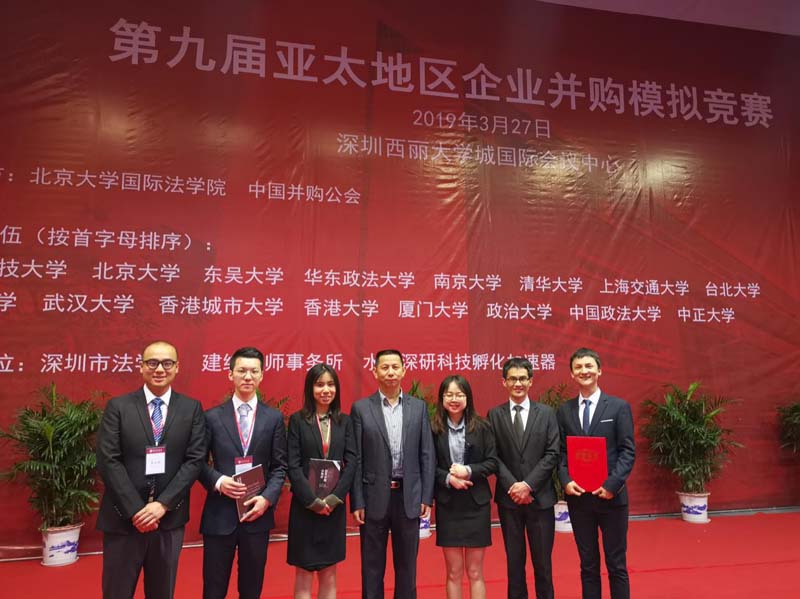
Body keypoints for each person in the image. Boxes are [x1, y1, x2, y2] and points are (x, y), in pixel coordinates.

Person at [96, 340, 206, 599]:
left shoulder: (191, 408)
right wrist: (136, 510)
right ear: (141, 366)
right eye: (152, 362)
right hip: (124, 519)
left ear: (177, 367)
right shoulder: (119, 407)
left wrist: (162, 504)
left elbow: (195, 460)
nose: (159, 369)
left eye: (167, 363)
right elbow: (108, 460)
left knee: (162, 593)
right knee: (116, 592)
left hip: (168, 520)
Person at [198, 347, 288, 599]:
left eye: (254, 371)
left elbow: (280, 466)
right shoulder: (211, 417)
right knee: (213, 589)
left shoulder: (274, 418)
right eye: (242, 371)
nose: (248, 376)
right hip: (219, 514)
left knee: (251, 588)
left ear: (261, 375)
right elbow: (197, 462)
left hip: (256, 514)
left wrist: (266, 499)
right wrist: (218, 481)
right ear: (231, 374)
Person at [351, 349, 436, 599]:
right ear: (375, 371)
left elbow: (427, 454)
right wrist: (357, 500)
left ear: (404, 370)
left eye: (395, 367)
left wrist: (426, 496)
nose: (390, 372)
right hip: (373, 497)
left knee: (407, 568)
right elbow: (356, 459)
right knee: (372, 568)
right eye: (385, 367)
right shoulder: (361, 409)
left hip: (408, 497)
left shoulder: (418, 408)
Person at [556, 348, 635, 599]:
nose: (584, 371)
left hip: (612, 498)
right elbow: (561, 452)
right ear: (572, 374)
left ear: (599, 370)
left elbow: (627, 451)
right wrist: (566, 481)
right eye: (578, 367)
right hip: (580, 500)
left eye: (589, 366)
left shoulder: (618, 407)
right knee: (588, 565)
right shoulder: (564, 410)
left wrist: (612, 485)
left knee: (616, 564)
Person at [487, 357, 560, 599]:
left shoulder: (547, 413)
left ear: (530, 381)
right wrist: (515, 487)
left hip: (541, 500)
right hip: (509, 501)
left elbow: (552, 453)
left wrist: (528, 485)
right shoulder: (494, 414)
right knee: (514, 565)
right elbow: (493, 456)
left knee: (543, 565)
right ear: (504, 382)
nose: (517, 383)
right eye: (512, 379)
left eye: (522, 379)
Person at [286, 364, 357, 599]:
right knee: (304, 574)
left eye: (330, 384)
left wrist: (335, 498)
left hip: (333, 508)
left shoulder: (345, 422)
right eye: (319, 385)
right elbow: (293, 465)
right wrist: (311, 501)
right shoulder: (298, 421)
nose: (325, 390)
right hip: (305, 507)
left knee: (329, 573)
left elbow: (352, 462)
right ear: (310, 388)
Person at [431, 375, 498, 599]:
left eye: (459, 394)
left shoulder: (482, 426)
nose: (454, 399)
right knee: (453, 572)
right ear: (442, 398)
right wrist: (448, 478)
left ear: (468, 398)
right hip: (448, 506)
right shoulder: (434, 428)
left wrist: (468, 470)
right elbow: (427, 465)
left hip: (476, 505)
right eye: (449, 394)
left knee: (475, 571)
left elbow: (492, 462)